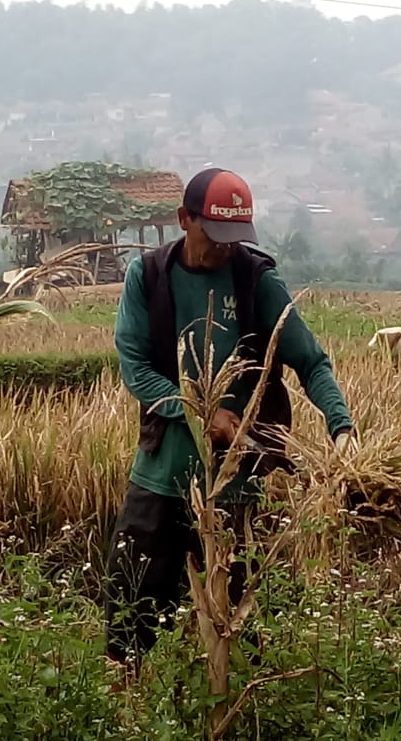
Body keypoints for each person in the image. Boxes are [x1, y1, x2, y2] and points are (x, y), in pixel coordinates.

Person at [103, 166, 357, 681]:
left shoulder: (254, 280)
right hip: (160, 474)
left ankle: (237, 703)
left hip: (236, 483)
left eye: (235, 238)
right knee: (130, 610)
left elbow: (311, 361)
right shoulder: (147, 277)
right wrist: (199, 410)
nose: (225, 248)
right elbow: (136, 368)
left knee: (239, 615)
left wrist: (342, 427)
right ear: (184, 219)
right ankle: (125, 705)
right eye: (215, 236)